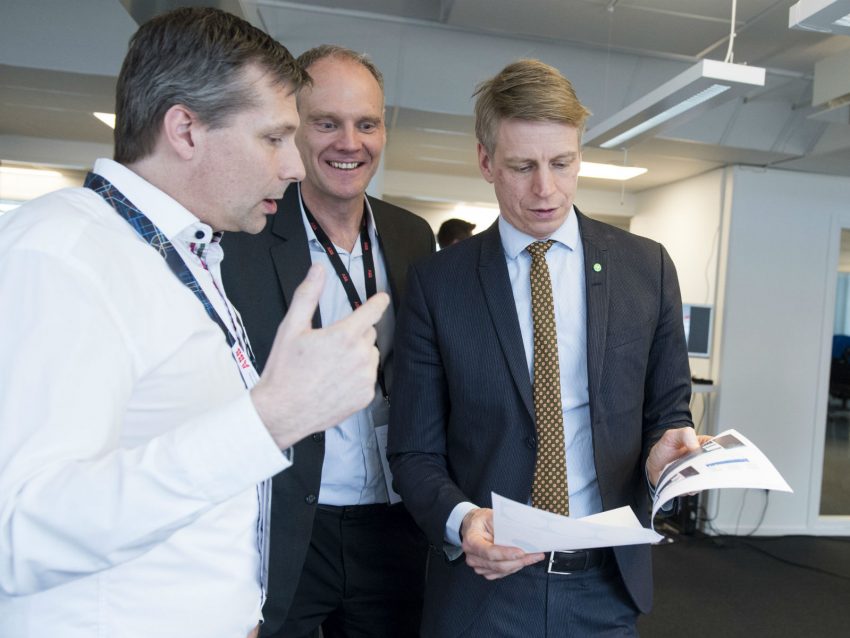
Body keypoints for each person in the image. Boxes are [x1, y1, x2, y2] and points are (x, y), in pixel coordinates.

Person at [0, 9, 389, 638]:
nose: (294, 168)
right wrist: (270, 421)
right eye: (272, 138)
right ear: (185, 129)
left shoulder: (179, 252)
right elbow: (17, 532)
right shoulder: (63, 254)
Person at [388, 59, 708, 637]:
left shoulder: (646, 268)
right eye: (522, 166)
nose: (546, 188)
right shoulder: (439, 285)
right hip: (482, 592)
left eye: (562, 163)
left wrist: (667, 454)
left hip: (604, 587)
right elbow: (414, 452)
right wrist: (462, 522)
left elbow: (669, 412)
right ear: (486, 162)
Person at [221, 45, 435, 637]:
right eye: (326, 123)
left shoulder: (411, 235)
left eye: (366, 123)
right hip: (290, 521)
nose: (350, 142)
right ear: (294, 130)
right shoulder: (247, 236)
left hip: (393, 522)